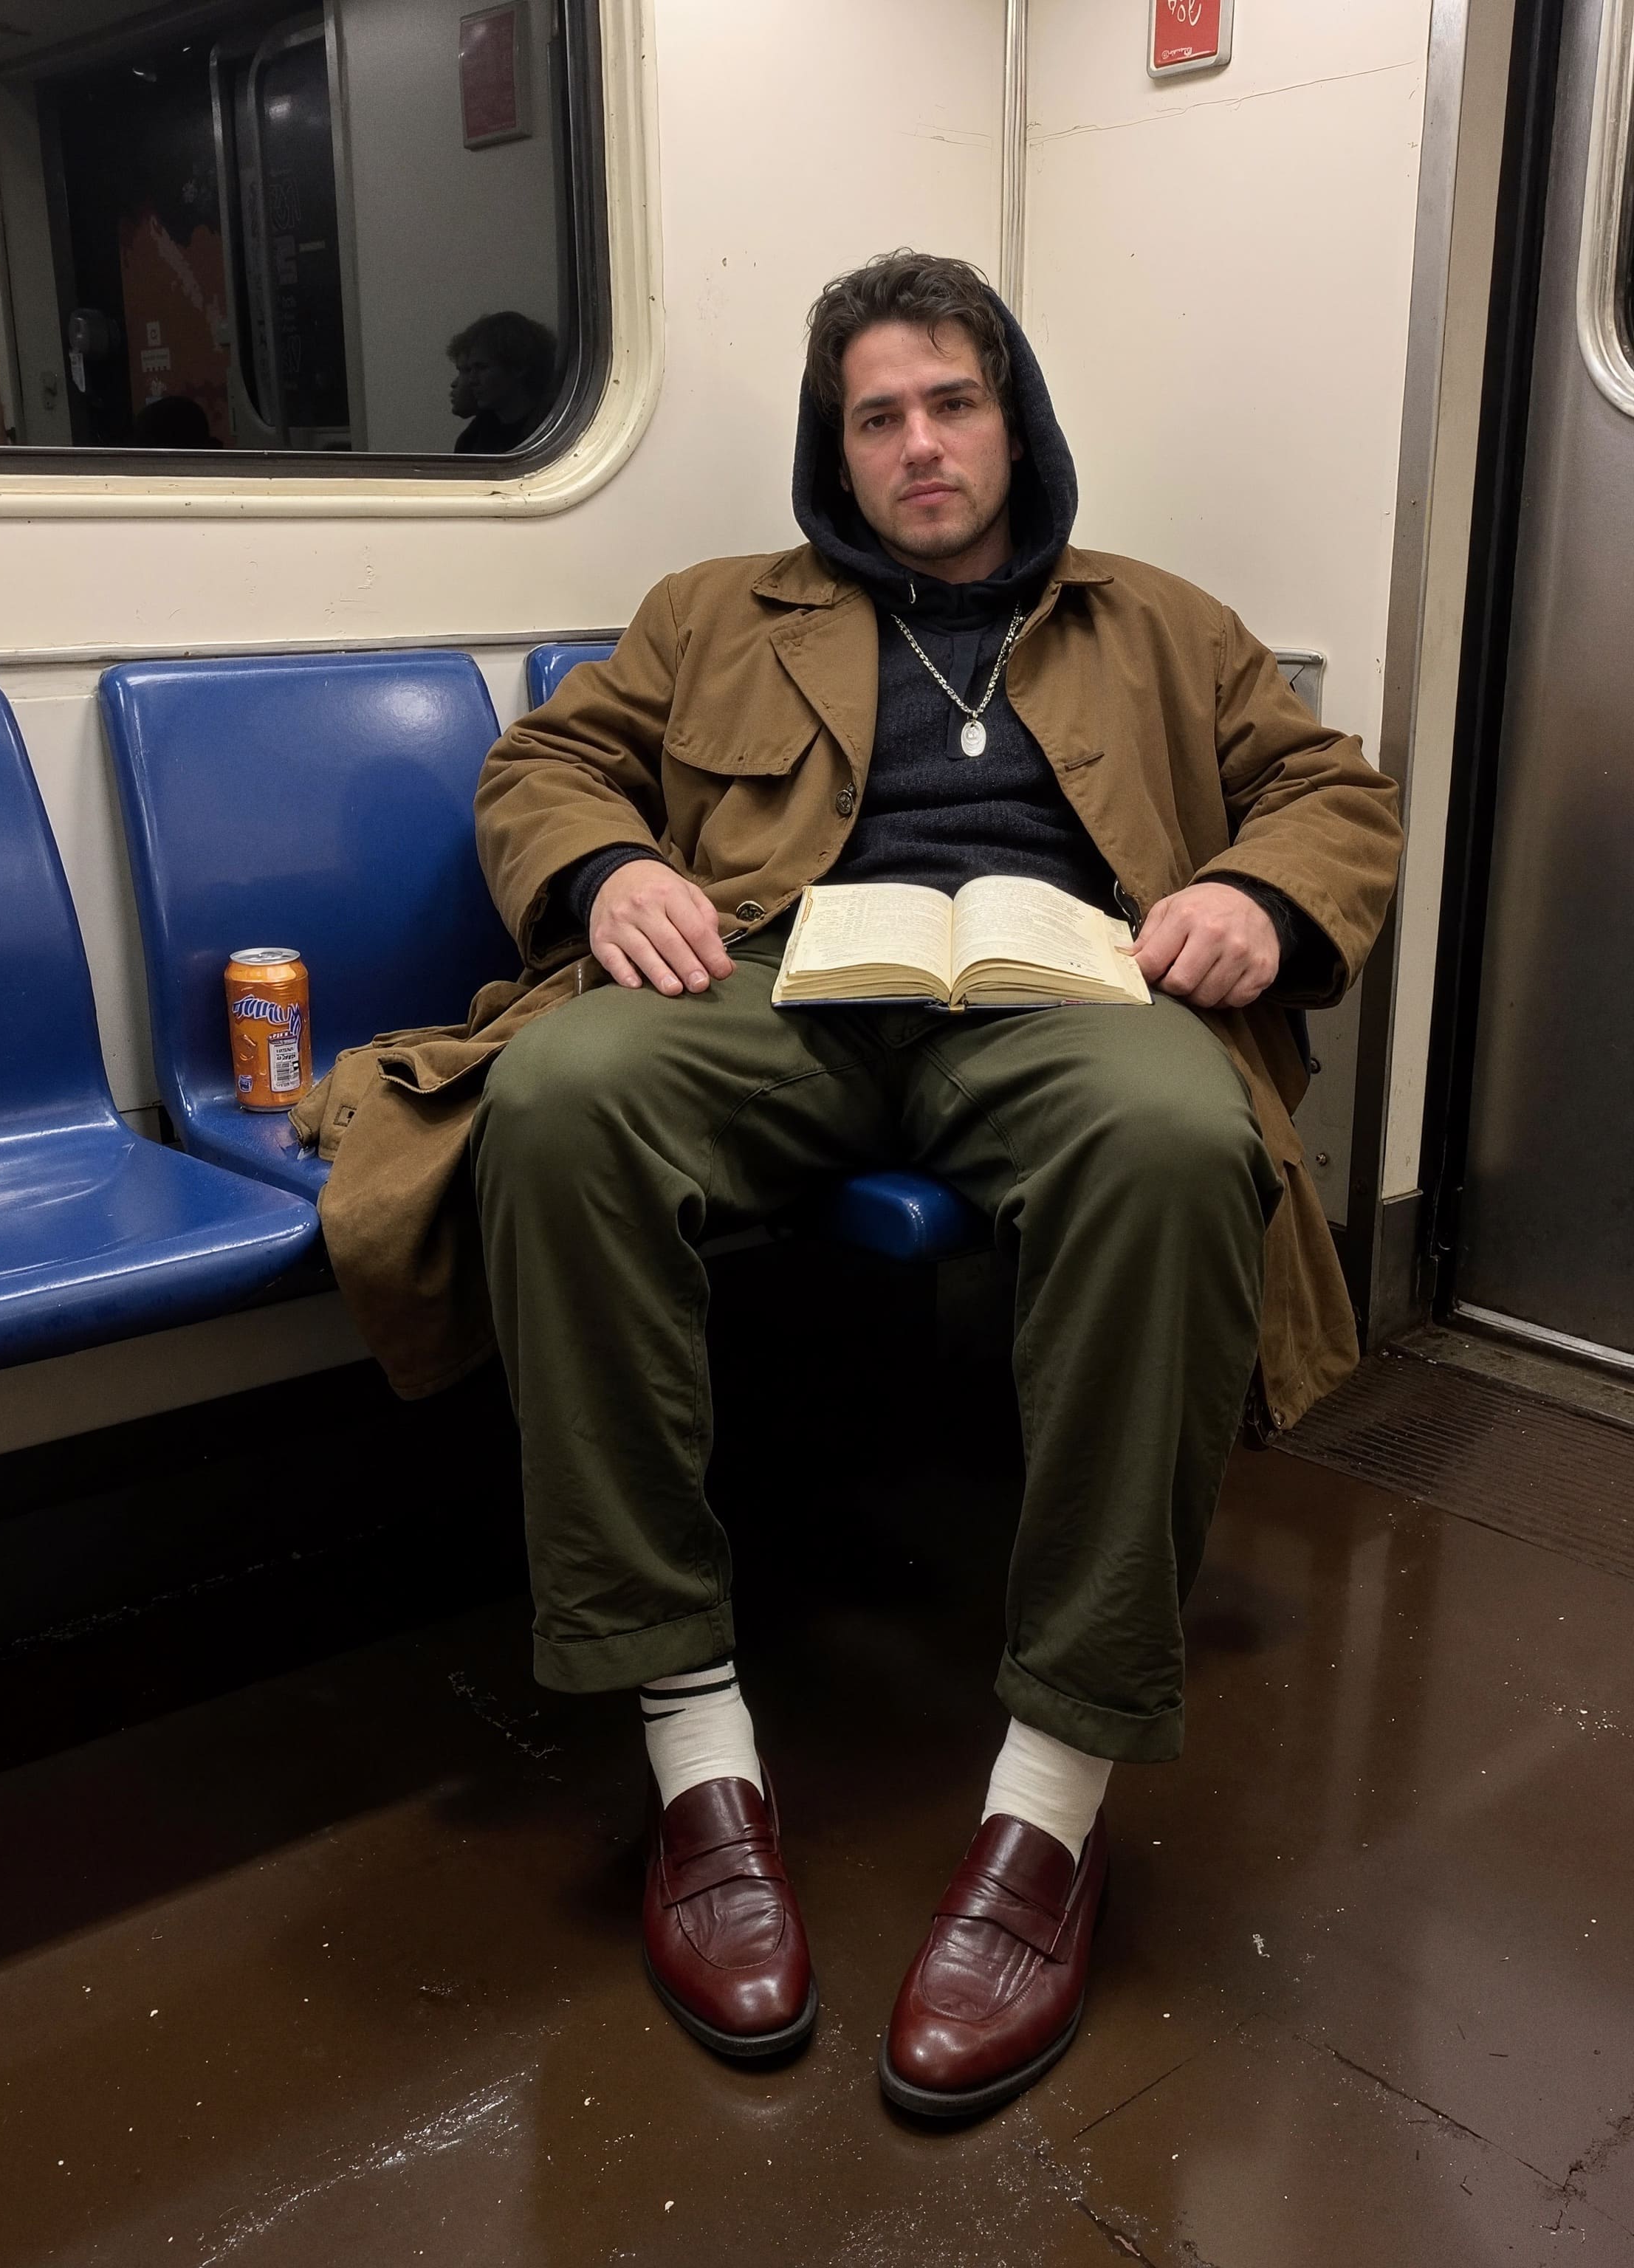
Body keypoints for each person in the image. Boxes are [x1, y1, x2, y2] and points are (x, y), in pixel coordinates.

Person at [293, 250, 1401, 2119]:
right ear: (837, 448)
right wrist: (604, 873)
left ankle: (1051, 1804)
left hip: (1062, 992)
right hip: (771, 981)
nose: (919, 444)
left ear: (1014, 417)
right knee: (558, 1094)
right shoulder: (715, 608)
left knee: (1180, 1138)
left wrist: (1252, 896)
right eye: (876, 415)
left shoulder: (1158, 617)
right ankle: (692, 1745)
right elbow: (553, 762)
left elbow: (1332, 791)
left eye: (951, 402)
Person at [444, 311, 557, 453]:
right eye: (469, 370)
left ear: (519, 368)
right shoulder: (473, 438)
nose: (472, 380)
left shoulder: (554, 433)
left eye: (482, 368)